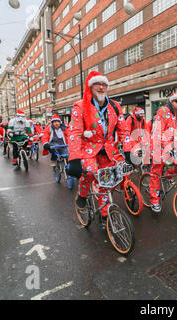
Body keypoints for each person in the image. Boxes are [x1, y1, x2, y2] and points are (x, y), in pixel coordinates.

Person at [66, 71, 129, 220]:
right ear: (90, 87)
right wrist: (74, 158)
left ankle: (105, 210)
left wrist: (128, 151)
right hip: (88, 149)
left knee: (111, 179)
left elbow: (124, 130)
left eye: (104, 84)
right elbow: (74, 132)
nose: (101, 87)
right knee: (89, 171)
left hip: (108, 150)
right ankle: (82, 195)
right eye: (97, 84)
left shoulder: (115, 106)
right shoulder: (80, 106)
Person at [149, 92, 177, 213]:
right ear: (172, 101)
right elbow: (158, 132)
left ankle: (169, 175)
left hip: (174, 145)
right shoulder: (163, 111)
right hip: (159, 143)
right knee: (156, 171)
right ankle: (154, 199)